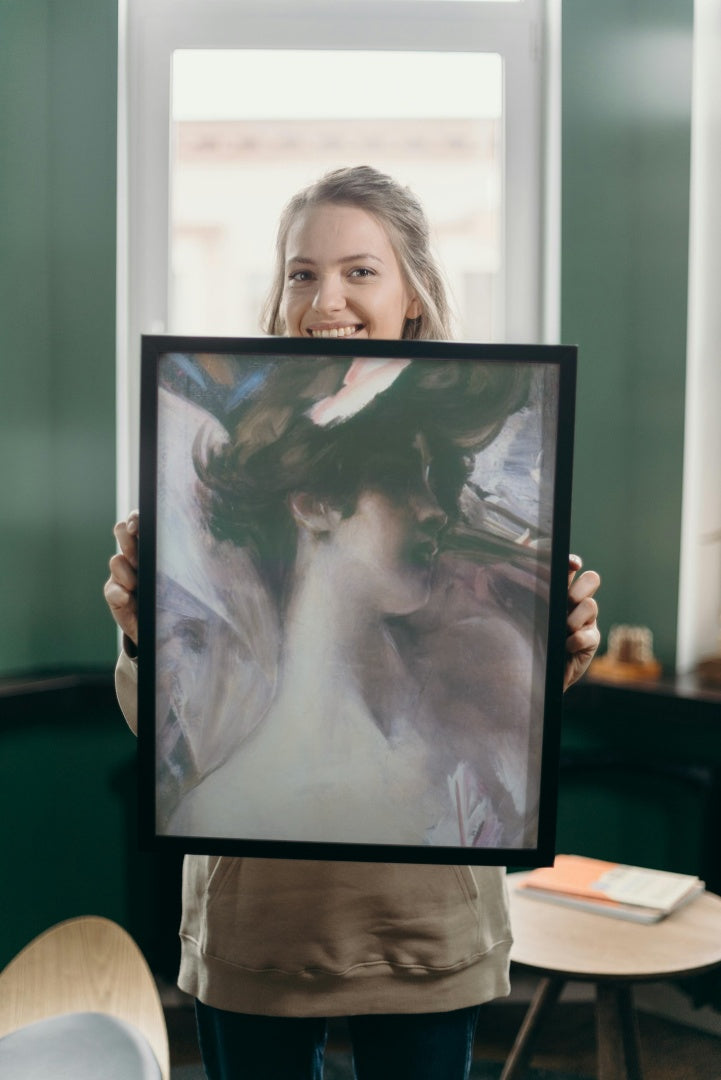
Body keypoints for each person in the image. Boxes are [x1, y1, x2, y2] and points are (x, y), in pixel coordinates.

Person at [105, 166, 601, 1080]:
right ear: (314, 502)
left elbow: (520, 734)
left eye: (359, 271)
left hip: (423, 930)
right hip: (259, 929)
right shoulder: (213, 552)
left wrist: (559, 647)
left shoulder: (465, 622)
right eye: (302, 272)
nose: (325, 297)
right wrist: (142, 633)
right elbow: (165, 738)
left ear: (413, 293)